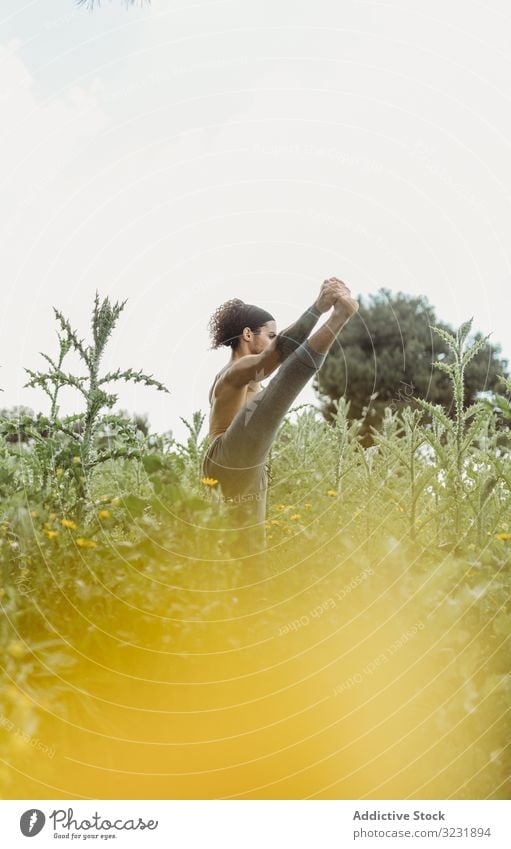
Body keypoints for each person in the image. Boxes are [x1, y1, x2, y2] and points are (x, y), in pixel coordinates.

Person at [202, 277, 359, 554]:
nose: (274, 341)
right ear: (248, 334)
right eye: (271, 335)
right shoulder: (235, 372)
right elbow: (275, 359)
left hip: (246, 469)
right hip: (227, 456)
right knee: (285, 384)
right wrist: (320, 309)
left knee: (247, 554)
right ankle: (340, 318)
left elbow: (283, 354)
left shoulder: (246, 379)